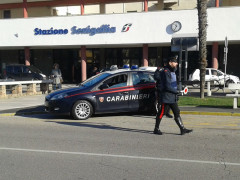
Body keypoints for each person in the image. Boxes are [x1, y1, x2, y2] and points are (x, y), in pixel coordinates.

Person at [154, 56, 193, 135]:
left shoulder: (172, 71)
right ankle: (156, 129)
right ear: (170, 63)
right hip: (166, 97)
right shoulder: (165, 72)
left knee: (176, 112)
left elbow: (174, 83)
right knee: (162, 112)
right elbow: (167, 86)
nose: (176, 63)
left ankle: (182, 129)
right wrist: (177, 91)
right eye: (175, 62)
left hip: (172, 96)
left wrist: (179, 89)